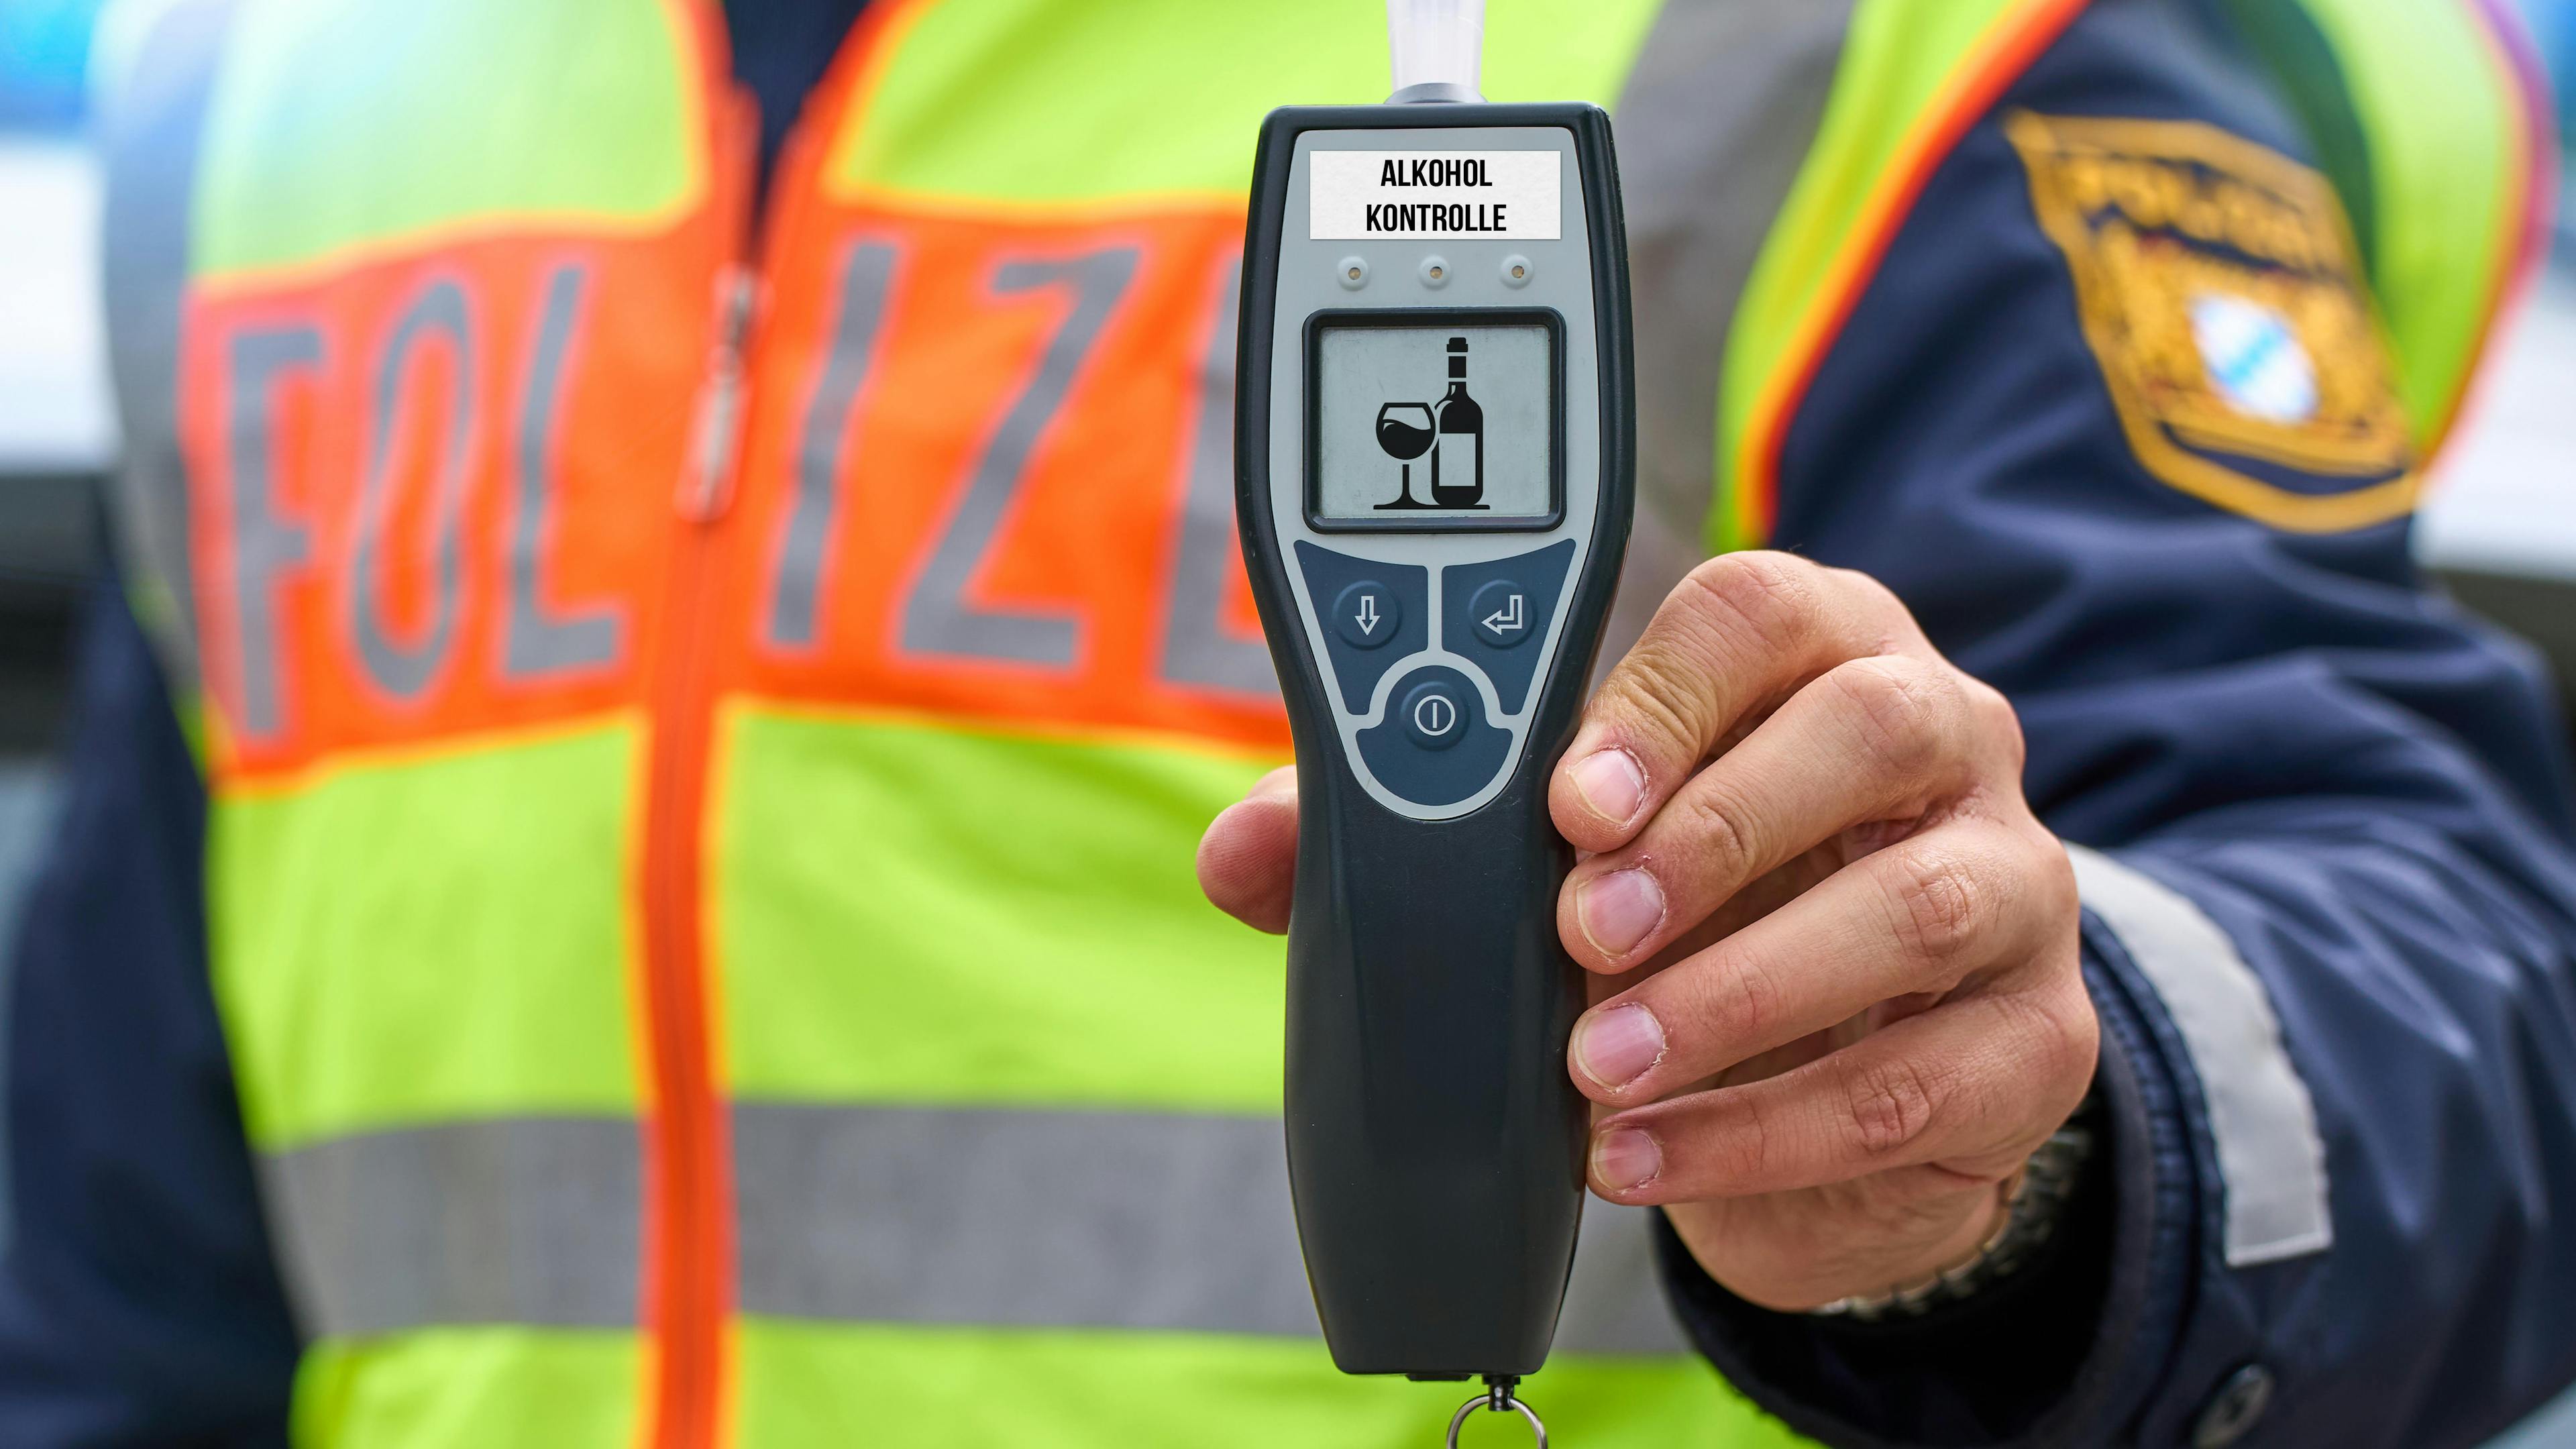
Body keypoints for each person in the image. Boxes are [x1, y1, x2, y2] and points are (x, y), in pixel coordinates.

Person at [5, 0, 2570, 1444]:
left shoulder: (1862, 35)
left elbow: (2454, 986)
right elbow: (128, 1251)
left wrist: (2027, 1130)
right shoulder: (261, 91)